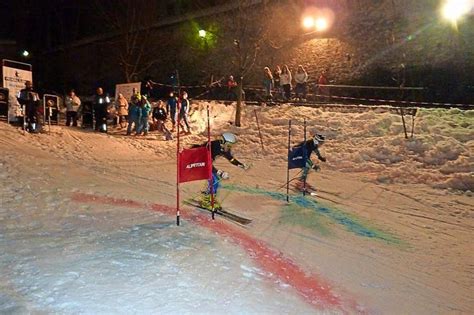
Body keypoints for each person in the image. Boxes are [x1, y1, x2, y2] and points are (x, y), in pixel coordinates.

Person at [194, 132, 249, 210]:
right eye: (229, 145)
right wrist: (219, 172)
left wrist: (241, 165)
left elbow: (230, 158)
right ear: (224, 141)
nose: (230, 147)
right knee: (215, 180)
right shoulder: (213, 146)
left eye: (231, 145)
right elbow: (206, 162)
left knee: (214, 182)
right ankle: (206, 201)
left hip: (207, 164)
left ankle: (210, 198)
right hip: (199, 162)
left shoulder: (224, 147)